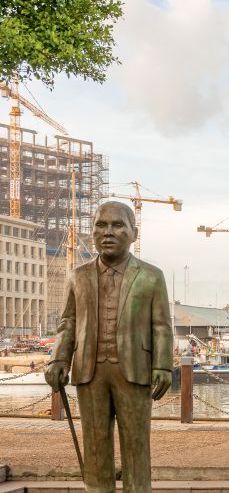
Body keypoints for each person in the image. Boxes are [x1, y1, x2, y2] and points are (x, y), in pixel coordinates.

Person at [45, 201, 173, 493]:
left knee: (136, 443)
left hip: (135, 371)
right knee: (95, 442)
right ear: (92, 232)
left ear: (133, 233)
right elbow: (68, 322)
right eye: (101, 225)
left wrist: (163, 365)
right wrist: (58, 360)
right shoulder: (78, 275)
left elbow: (162, 326)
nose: (108, 232)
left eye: (118, 225)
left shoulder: (152, 276)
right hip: (89, 372)